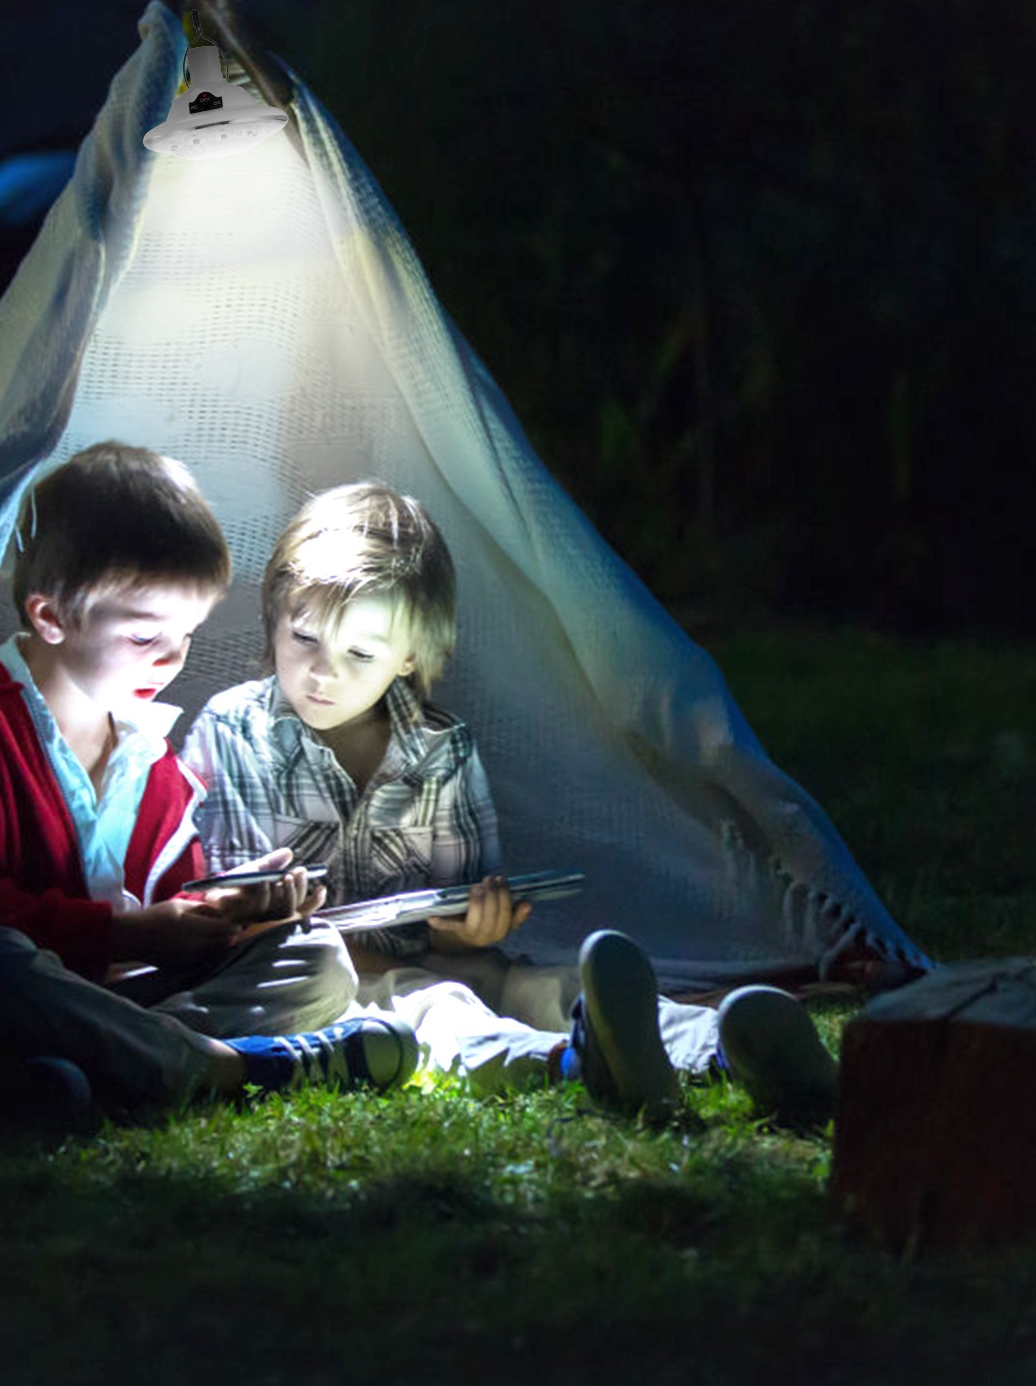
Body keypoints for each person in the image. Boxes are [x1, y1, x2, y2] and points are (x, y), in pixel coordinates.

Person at [0, 445, 417, 1126]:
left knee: (317, 959)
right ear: (51, 617)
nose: (172, 659)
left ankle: (99, 1076)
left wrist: (228, 909)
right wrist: (129, 934)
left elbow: (172, 912)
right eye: (145, 637)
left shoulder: (153, 761)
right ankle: (217, 1069)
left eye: (187, 634)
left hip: (112, 1006)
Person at [182, 482, 838, 1124]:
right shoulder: (234, 732)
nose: (324, 671)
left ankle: (723, 1045)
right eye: (304, 637)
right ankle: (575, 1063)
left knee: (543, 984)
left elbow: (451, 915)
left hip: (432, 960)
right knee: (439, 1008)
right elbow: (242, 921)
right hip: (324, 978)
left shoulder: (440, 749)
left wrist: (470, 927)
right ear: (276, 616)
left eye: (359, 653)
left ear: (408, 658)